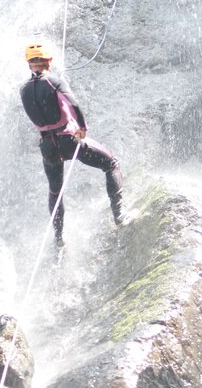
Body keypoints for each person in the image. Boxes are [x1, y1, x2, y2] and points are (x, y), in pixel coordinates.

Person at [19, 42, 133, 246]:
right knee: (111, 164)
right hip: (68, 140)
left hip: (47, 146)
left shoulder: (24, 89)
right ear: (49, 62)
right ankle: (119, 215)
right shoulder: (54, 81)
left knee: (55, 190)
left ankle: (59, 238)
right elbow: (72, 104)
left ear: (29, 64)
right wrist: (82, 126)